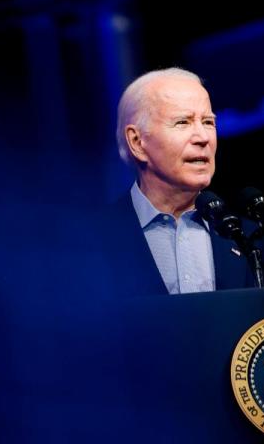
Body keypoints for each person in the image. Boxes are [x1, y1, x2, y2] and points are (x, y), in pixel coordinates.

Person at [102, 67, 254, 296]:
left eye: (208, 122)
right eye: (183, 122)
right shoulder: (92, 242)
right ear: (137, 142)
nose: (203, 138)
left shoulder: (249, 238)